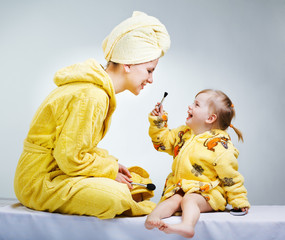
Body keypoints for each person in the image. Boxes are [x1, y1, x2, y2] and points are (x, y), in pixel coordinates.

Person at [14, 11, 170, 219]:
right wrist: (108, 171)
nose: (151, 79)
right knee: (117, 197)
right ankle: (135, 202)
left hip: (59, 171)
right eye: (149, 70)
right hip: (40, 181)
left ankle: (123, 188)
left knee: (135, 177)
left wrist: (111, 164)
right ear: (128, 64)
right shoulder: (93, 95)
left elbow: (74, 147)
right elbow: (70, 158)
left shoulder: (95, 90)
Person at [145, 89, 250, 238]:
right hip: (182, 187)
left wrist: (239, 201)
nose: (190, 107)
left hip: (208, 193)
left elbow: (230, 176)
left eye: (196, 105)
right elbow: (162, 143)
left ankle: (187, 226)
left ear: (210, 118)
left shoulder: (221, 145)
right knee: (174, 198)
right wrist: (158, 121)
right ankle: (153, 218)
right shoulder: (184, 133)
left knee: (189, 199)